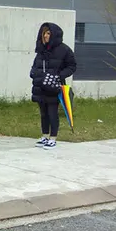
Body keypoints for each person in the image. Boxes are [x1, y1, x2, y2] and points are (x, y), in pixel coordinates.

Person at [30, 22, 76, 150]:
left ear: (54, 34)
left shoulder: (64, 50)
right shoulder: (40, 49)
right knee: (43, 113)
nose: (45, 36)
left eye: (48, 33)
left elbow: (72, 66)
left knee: (52, 113)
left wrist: (59, 76)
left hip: (54, 87)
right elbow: (35, 66)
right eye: (44, 33)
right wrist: (34, 73)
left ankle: (53, 138)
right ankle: (44, 135)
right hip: (40, 87)